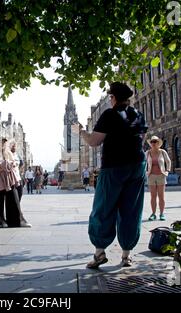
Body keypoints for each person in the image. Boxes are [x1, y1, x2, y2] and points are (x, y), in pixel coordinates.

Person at [80, 82, 148, 268]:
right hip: (137, 166)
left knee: (104, 208)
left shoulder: (109, 115)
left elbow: (94, 141)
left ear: (114, 98)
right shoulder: (138, 114)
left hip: (114, 167)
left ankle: (100, 253)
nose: (110, 99)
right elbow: (141, 139)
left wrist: (81, 132)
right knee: (131, 209)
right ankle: (126, 255)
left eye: (110, 97)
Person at [0, 137, 21, 228]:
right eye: (2, 143)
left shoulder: (8, 153)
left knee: (12, 199)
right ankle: (0, 221)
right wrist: (5, 166)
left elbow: (14, 164)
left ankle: (14, 221)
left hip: (9, 177)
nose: (3, 145)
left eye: (4, 143)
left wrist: (8, 165)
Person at [145, 135, 171, 221]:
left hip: (161, 175)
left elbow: (168, 161)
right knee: (153, 196)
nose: (153, 143)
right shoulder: (148, 153)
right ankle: (153, 214)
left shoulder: (162, 152)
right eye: (152, 142)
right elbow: (143, 163)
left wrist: (167, 170)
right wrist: (145, 172)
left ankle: (162, 214)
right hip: (151, 176)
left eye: (155, 141)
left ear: (158, 143)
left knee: (161, 196)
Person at [10, 141, 32, 227]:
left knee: (19, 197)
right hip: (12, 179)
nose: (14, 147)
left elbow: (22, 164)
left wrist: (18, 170)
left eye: (15, 146)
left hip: (18, 178)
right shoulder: (8, 154)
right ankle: (19, 217)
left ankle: (16, 214)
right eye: (13, 146)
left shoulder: (17, 155)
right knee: (14, 199)